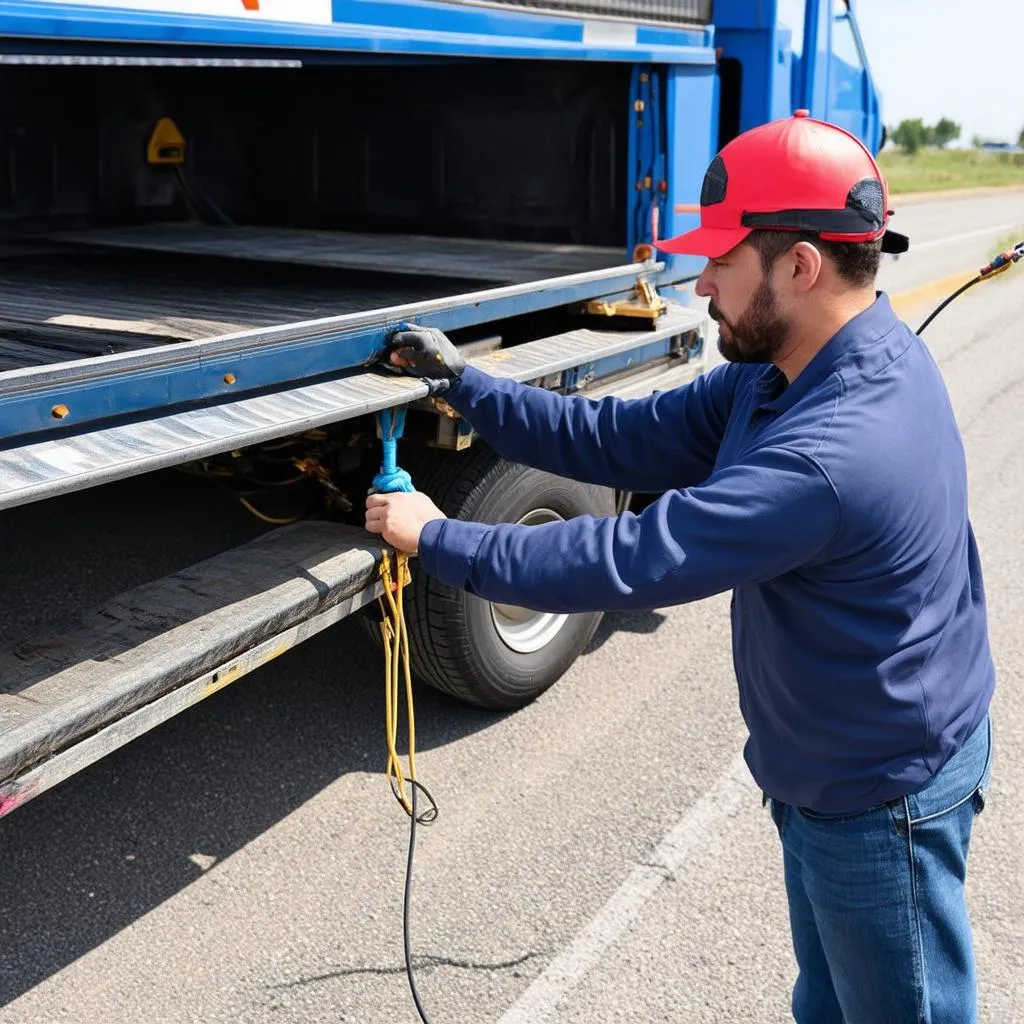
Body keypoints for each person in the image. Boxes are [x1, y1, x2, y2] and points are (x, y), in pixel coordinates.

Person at [364, 111, 995, 1024]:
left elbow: (629, 559)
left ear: (801, 266)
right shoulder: (789, 367)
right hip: (830, 771)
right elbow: (620, 437)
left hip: (880, 798)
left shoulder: (831, 452)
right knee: (830, 1004)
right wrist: (467, 383)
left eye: (721, 263)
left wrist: (439, 537)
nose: (700, 283)